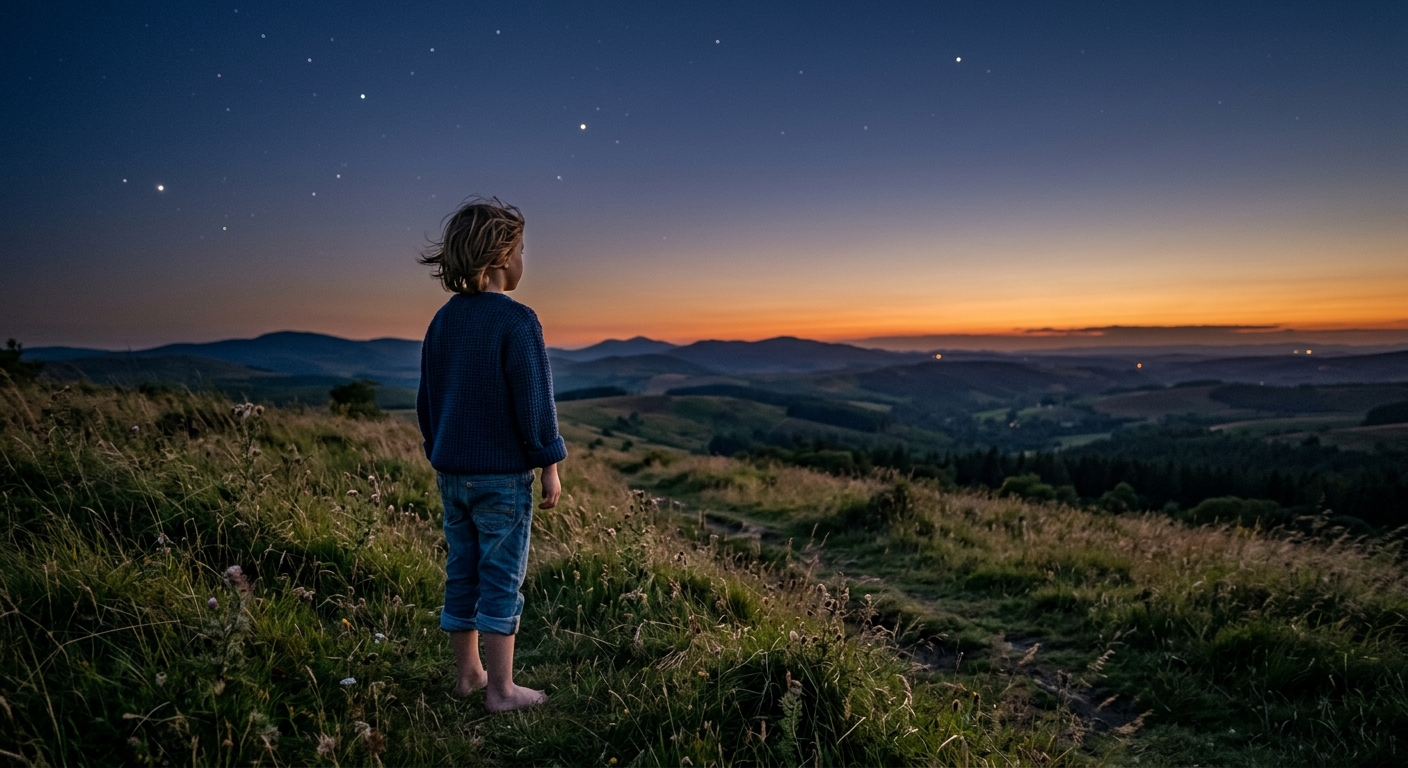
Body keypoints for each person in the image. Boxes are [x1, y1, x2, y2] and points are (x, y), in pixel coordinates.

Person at [416, 197, 566, 713]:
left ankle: (468, 677)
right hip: (502, 480)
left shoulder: (443, 321)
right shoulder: (518, 321)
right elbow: (534, 403)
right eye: (523, 248)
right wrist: (549, 464)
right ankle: (502, 691)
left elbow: (428, 398)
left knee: (463, 572)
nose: (525, 258)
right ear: (502, 256)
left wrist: (438, 450)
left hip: (452, 474)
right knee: (501, 579)